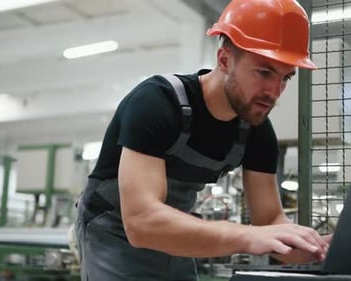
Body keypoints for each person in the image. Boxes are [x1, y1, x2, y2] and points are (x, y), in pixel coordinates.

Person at [75, 0, 330, 280]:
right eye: (264, 72)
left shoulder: (257, 131)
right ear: (224, 60)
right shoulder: (157, 103)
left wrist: (316, 247)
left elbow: (269, 221)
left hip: (176, 232)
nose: (274, 92)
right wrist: (245, 236)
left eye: (286, 78)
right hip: (114, 232)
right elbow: (141, 221)